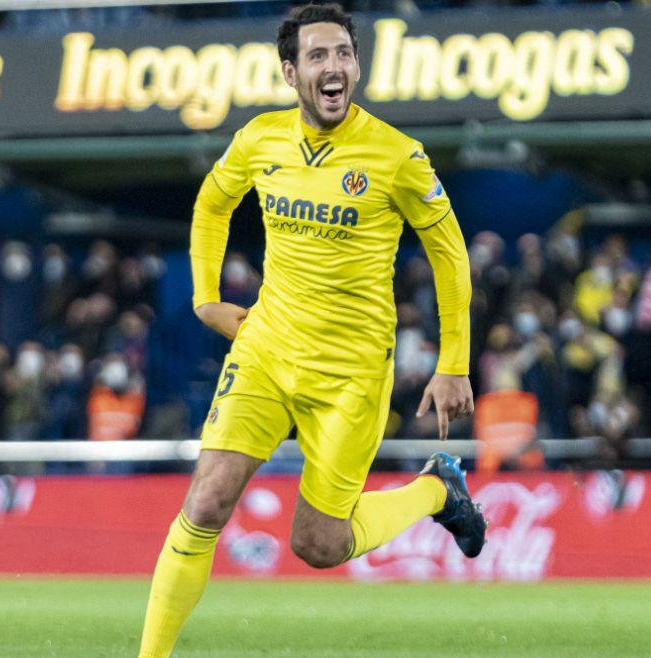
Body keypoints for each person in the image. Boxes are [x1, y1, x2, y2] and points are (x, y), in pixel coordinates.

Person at [137, 6, 485, 656]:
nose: (334, 67)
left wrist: (453, 362)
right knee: (206, 503)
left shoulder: (397, 155)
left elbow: (450, 254)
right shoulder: (259, 139)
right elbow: (212, 204)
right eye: (318, 56)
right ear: (290, 72)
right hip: (267, 348)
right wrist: (206, 299)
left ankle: (437, 489)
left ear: (357, 66)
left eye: (344, 54)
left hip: (351, 372)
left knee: (318, 544)